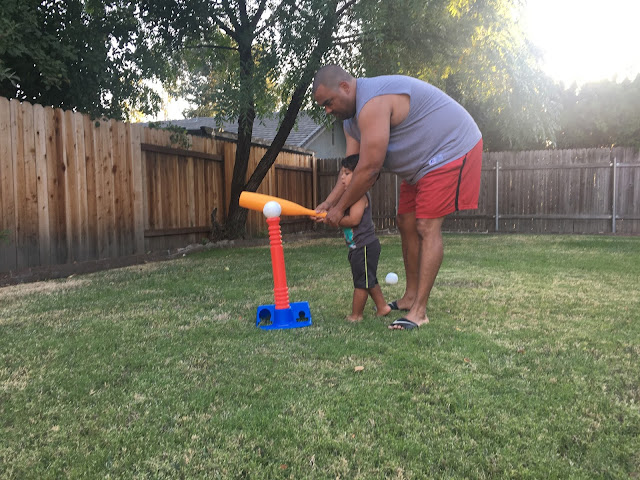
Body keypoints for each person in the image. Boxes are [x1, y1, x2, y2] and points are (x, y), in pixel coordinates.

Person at [312, 65, 483, 330]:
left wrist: (339, 210)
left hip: (450, 148)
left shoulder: (372, 102)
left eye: (328, 102)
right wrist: (330, 202)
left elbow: (369, 169)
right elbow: (351, 168)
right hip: (420, 165)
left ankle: (419, 311)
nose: (327, 110)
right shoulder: (350, 122)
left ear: (345, 87)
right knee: (405, 221)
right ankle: (410, 297)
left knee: (426, 225)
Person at [336, 154, 392, 322]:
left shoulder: (359, 196)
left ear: (359, 176)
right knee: (368, 278)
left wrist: (334, 219)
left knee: (362, 282)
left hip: (364, 247)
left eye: (347, 173)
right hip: (358, 247)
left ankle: (356, 315)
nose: (342, 177)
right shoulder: (349, 197)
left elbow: (353, 220)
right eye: (342, 173)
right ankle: (382, 307)